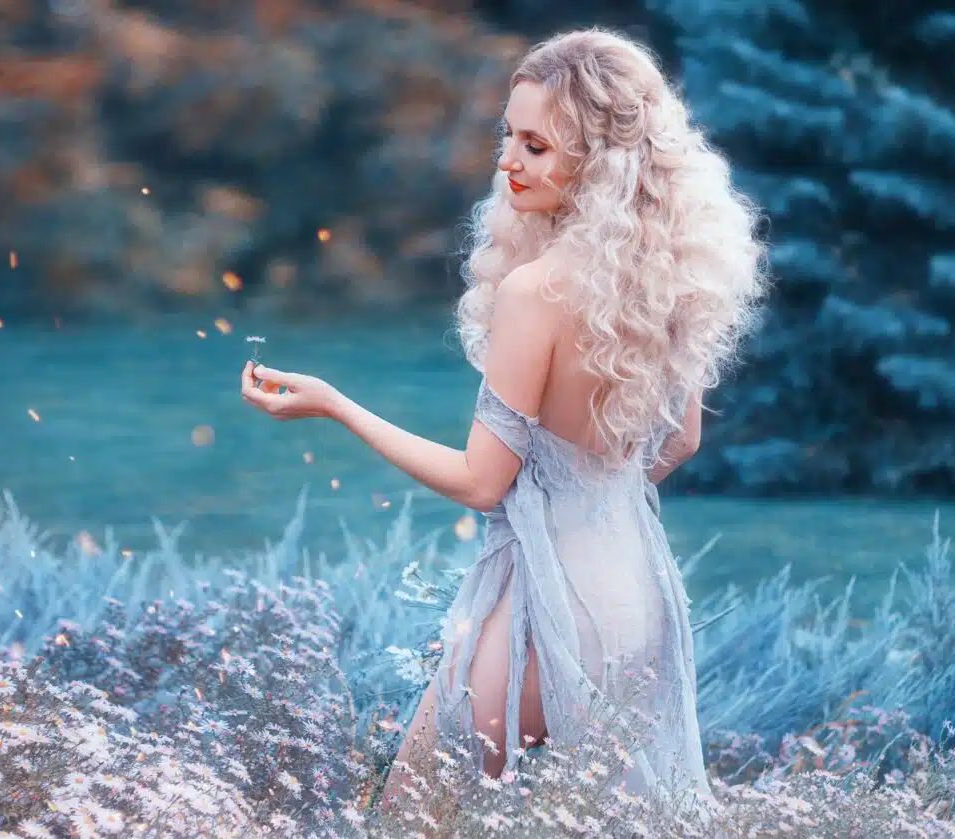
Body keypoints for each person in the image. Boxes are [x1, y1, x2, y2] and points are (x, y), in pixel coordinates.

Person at [240, 27, 767, 815]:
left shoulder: (536, 291)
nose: (508, 162)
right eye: (508, 137)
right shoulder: (670, 284)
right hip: (635, 590)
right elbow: (681, 439)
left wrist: (337, 405)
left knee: (410, 818)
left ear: (601, 161)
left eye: (537, 146)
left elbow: (484, 481)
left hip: (548, 599)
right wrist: (588, 494)